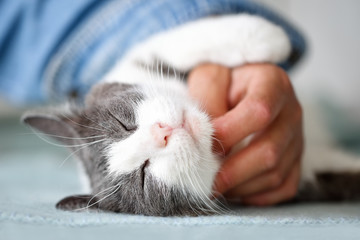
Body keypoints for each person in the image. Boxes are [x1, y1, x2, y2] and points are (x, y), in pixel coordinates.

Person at [0, 0, 306, 206]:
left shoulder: (134, 71)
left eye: (124, 124)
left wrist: (198, 39)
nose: (160, 135)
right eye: (144, 176)